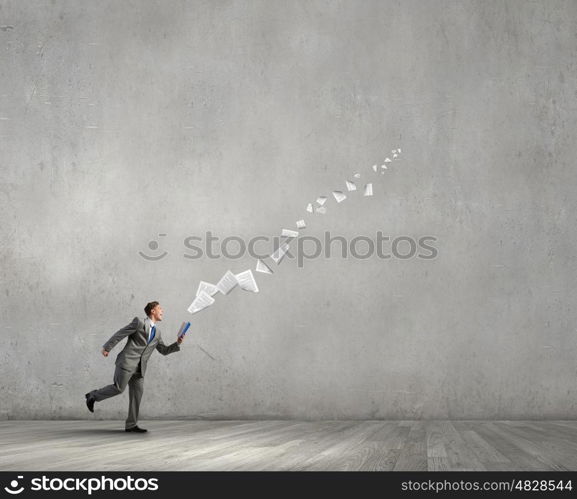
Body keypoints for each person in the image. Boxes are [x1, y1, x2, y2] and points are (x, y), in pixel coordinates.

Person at [85, 301, 185, 432]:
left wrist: (177, 343)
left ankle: (131, 425)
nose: (162, 311)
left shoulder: (158, 333)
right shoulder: (139, 322)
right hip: (127, 362)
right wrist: (107, 347)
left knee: (137, 394)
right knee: (119, 388)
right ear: (152, 311)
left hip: (140, 368)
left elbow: (164, 350)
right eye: (160, 308)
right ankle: (93, 396)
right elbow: (121, 333)